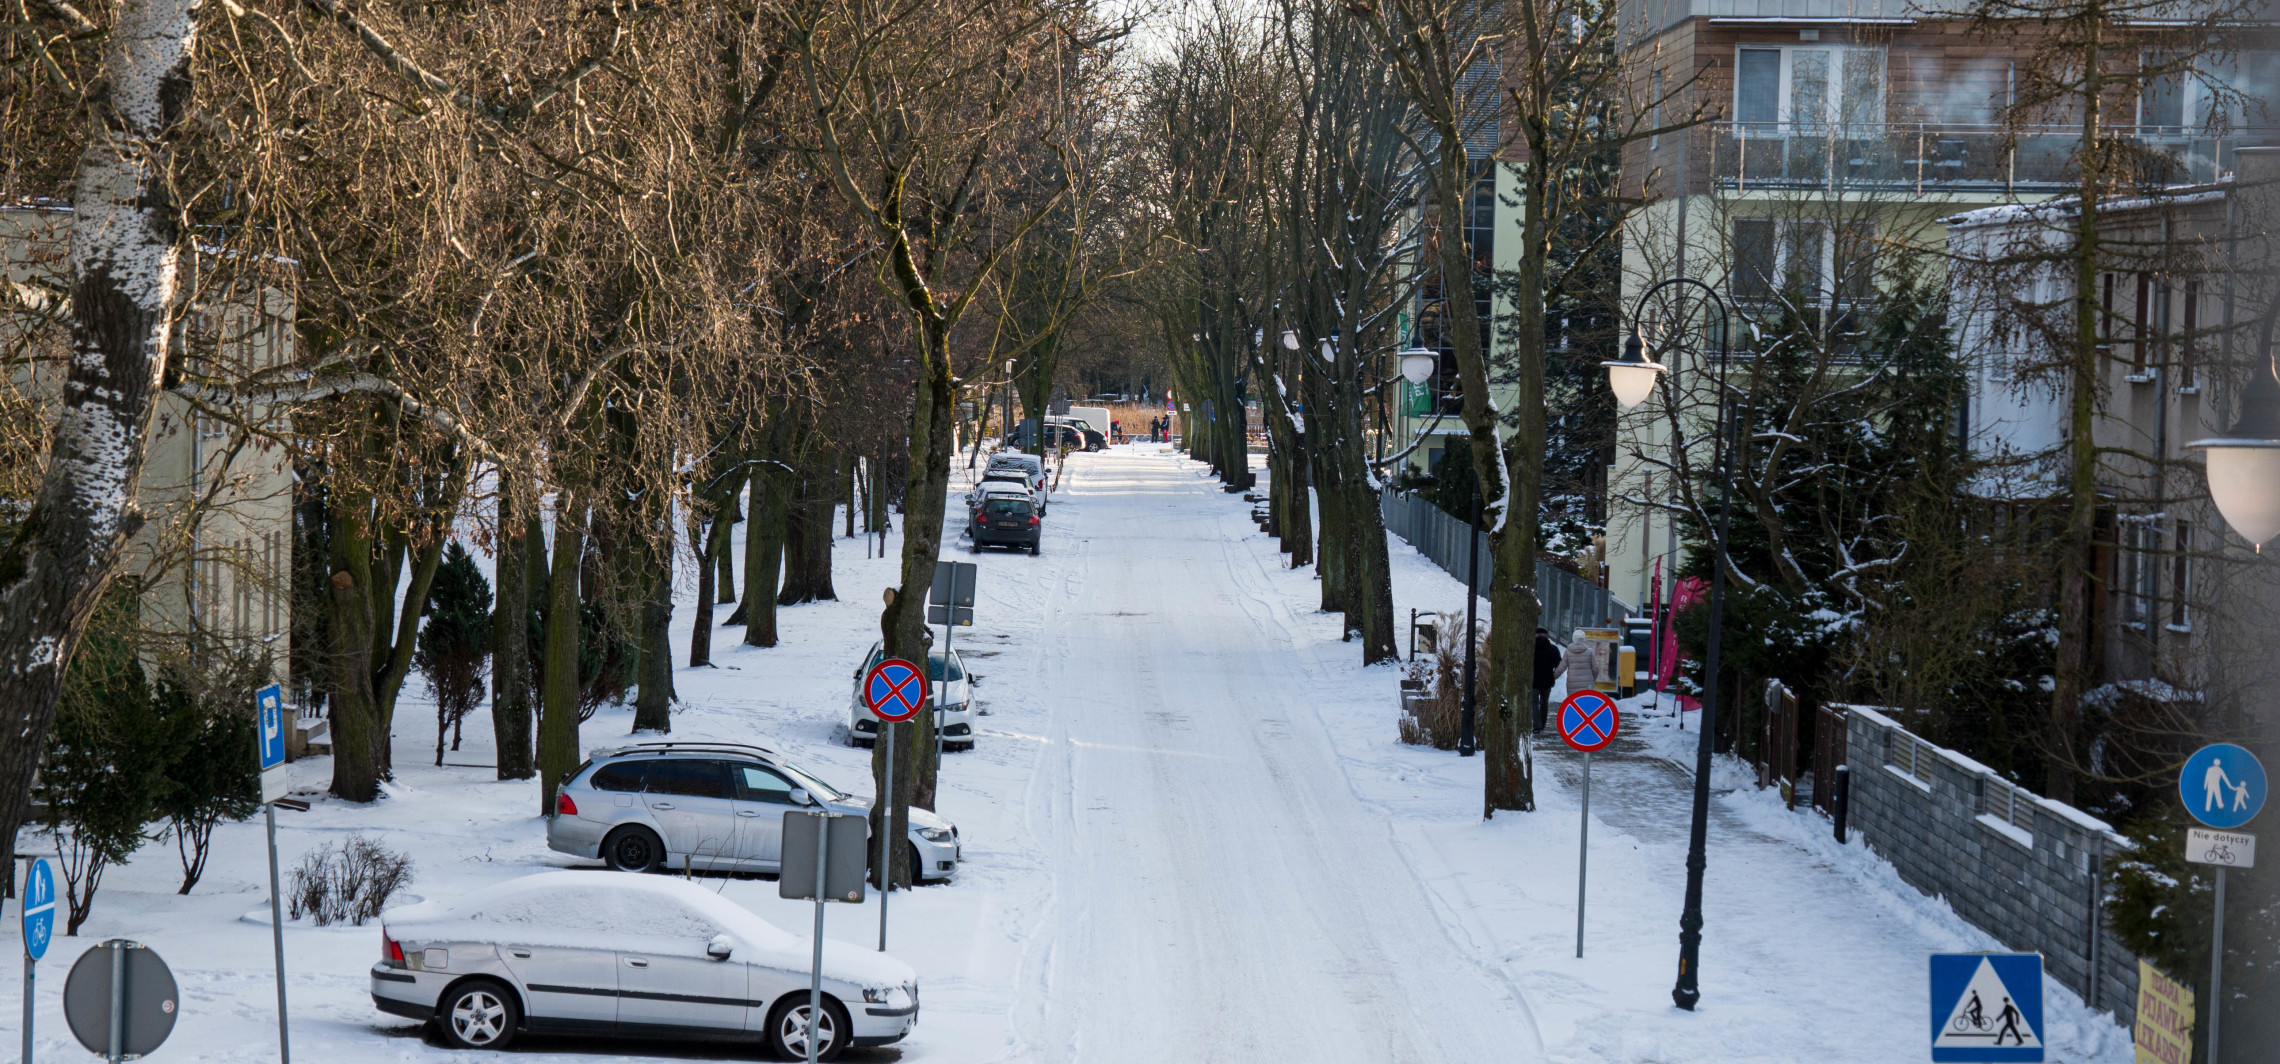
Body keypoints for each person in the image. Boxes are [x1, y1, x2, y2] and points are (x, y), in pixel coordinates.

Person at [1531, 628, 1560, 734]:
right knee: (1544, 703)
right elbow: (1558, 664)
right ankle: (1543, 724)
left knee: (1534, 703)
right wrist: (1553, 675)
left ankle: (1537, 725)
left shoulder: (1530, 648)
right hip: (1547, 681)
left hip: (1533, 681)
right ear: (1546, 635)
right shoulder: (1553, 649)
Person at [1561, 633, 1601, 699]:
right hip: (1587, 683)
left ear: (1573, 639)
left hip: (1572, 683)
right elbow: (1596, 668)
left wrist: (1553, 676)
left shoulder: (1568, 652)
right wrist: (1593, 678)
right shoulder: (1590, 652)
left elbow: (1562, 667)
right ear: (1584, 639)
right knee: (1587, 702)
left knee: (1573, 702)